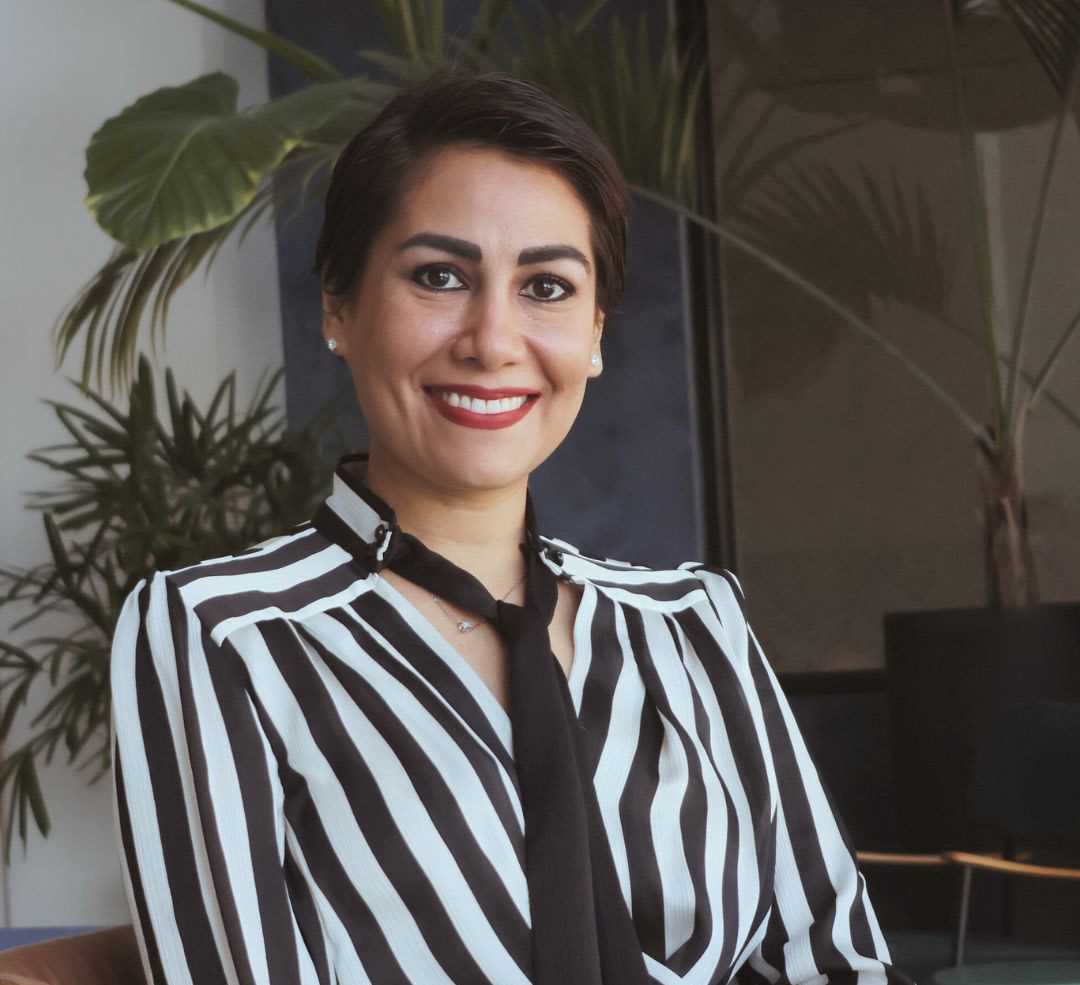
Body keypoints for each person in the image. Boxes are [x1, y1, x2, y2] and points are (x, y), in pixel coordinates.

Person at [111, 71, 908, 985]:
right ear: (339, 305)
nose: (492, 338)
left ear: (598, 330)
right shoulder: (221, 633)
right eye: (439, 276)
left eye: (547, 286)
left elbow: (838, 962)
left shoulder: (694, 623)